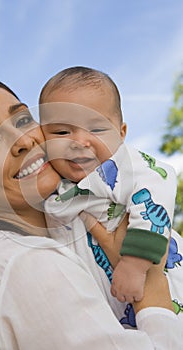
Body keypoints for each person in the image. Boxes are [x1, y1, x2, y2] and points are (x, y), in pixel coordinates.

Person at [0, 75, 182, 350]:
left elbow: (156, 180)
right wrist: (150, 282)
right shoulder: (23, 260)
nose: (23, 141)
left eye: (23, 120)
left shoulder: (77, 201)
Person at [39, 66, 182, 305]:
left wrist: (135, 264)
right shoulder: (55, 188)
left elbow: (160, 182)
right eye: (62, 131)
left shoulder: (124, 165)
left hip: (160, 279)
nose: (80, 142)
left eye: (96, 129)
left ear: (121, 133)